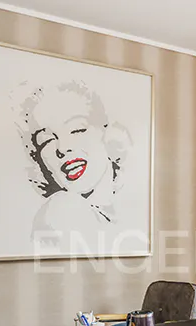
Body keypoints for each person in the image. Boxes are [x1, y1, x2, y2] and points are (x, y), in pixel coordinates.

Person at [14, 80, 132, 248]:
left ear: (105, 132)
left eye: (77, 130)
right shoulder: (57, 212)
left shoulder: (130, 211)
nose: (63, 148)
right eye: (47, 140)